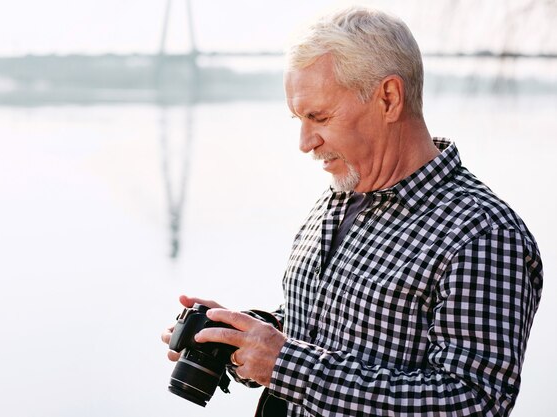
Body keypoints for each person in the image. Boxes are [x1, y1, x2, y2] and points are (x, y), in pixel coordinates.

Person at [161, 6, 543, 417]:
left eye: (319, 116)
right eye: (298, 118)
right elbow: (325, 330)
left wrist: (287, 365)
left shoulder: (482, 233)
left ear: (389, 98)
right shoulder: (338, 197)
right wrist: (241, 335)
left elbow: (472, 403)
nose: (305, 142)